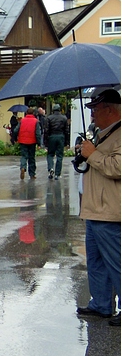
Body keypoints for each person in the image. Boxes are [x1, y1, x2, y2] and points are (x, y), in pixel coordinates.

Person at [74, 88, 121, 326]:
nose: (92, 116)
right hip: (95, 209)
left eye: (96, 111)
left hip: (111, 211)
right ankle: (101, 304)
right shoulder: (105, 134)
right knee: (96, 262)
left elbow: (118, 168)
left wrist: (93, 155)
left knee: (116, 262)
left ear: (110, 110)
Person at [14, 107, 42, 180]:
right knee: (31, 158)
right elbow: (38, 134)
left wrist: (15, 139)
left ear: (26, 113)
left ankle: (23, 167)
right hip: (32, 142)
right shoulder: (36, 121)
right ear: (33, 113)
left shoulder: (22, 121)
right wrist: (39, 143)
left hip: (22, 141)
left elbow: (16, 130)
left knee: (24, 156)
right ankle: (32, 174)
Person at [46, 103, 68, 180]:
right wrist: (66, 142)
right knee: (59, 156)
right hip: (61, 136)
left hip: (52, 136)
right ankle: (57, 174)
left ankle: (50, 168)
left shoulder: (49, 118)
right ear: (59, 110)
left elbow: (47, 130)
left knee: (50, 154)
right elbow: (66, 130)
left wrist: (46, 140)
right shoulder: (64, 118)